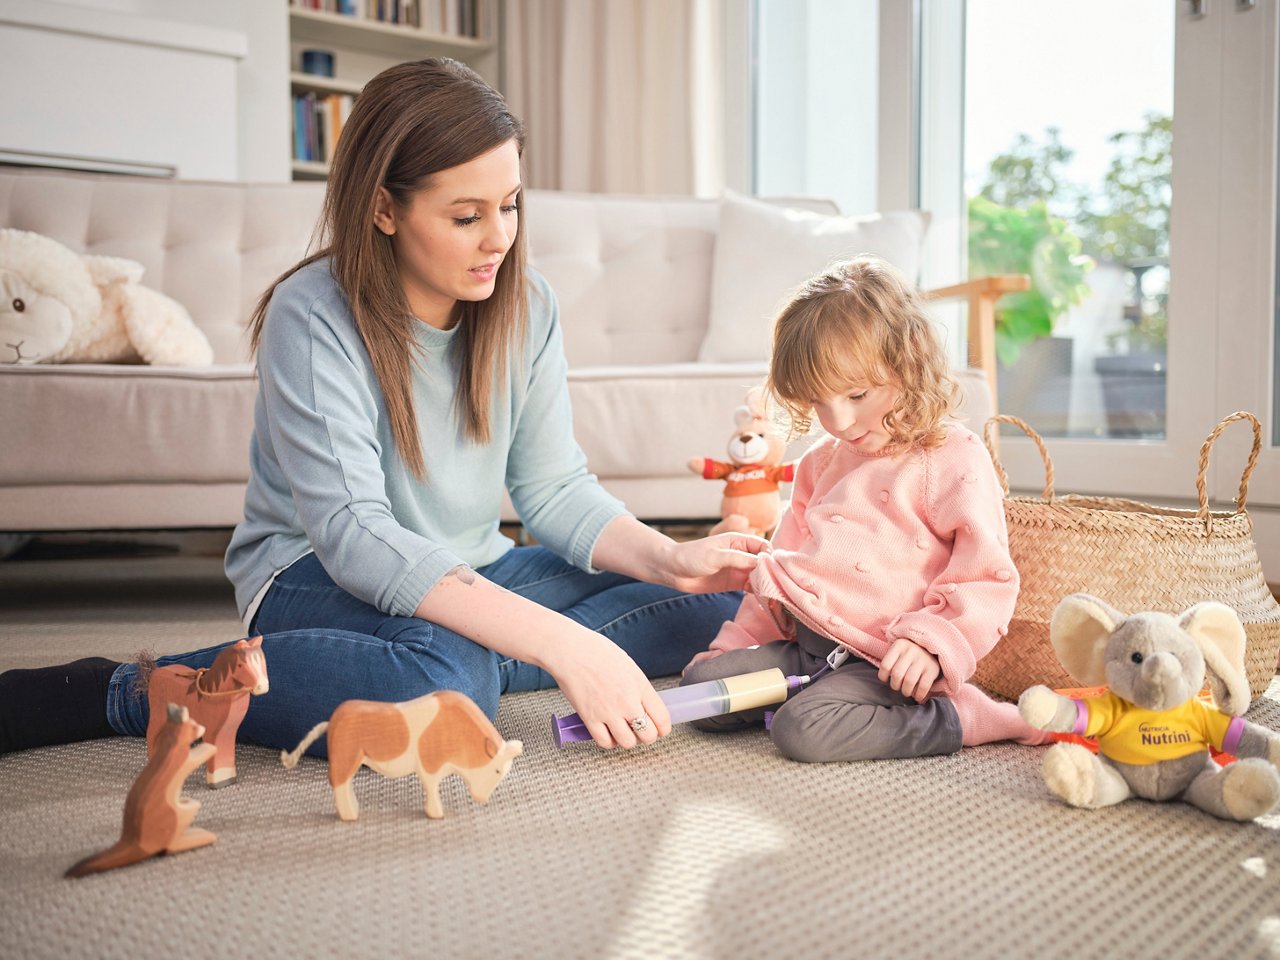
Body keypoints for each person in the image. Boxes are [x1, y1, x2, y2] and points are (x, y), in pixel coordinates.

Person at [0, 58, 765, 757]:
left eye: (510, 205)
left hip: (472, 568)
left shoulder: (527, 304)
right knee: (450, 687)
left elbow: (553, 488)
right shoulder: (313, 315)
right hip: (312, 578)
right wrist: (563, 646)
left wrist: (674, 558)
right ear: (384, 209)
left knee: (713, 610)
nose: (498, 238)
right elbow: (355, 536)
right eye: (466, 216)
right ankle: (128, 692)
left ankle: (466, 649)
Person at [680, 256, 1048, 762]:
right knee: (700, 691)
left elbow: (986, 575)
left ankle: (963, 718)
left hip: (885, 663)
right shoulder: (820, 462)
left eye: (857, 394)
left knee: (802, 731)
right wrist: (740, 644)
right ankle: (815, 694)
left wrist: (931, 643)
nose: (839, 420)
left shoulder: (950, 456)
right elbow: (781, 570)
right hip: (808, 647)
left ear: (909, 361)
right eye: (817, 400)